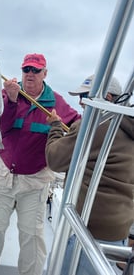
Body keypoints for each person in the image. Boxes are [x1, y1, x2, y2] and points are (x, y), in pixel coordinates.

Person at [0, 53, 81, 275]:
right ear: (21, 72)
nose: (30, 74)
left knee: (32, 237)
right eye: (26, 70)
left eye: (36, 70)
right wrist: (12, 102)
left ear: (45, 73)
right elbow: (0, 128)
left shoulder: (57, 103)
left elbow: (78, 126)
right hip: (1, 176)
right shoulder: (5, 95)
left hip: (35, 182)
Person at [45, 74, 134, 275]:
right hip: (117, 232)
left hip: (86, 231)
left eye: (85, 96)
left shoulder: (94, 125)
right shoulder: (127, 126)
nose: (80, 102)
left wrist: (55, 127)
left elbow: (55, 160)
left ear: (108, 98)